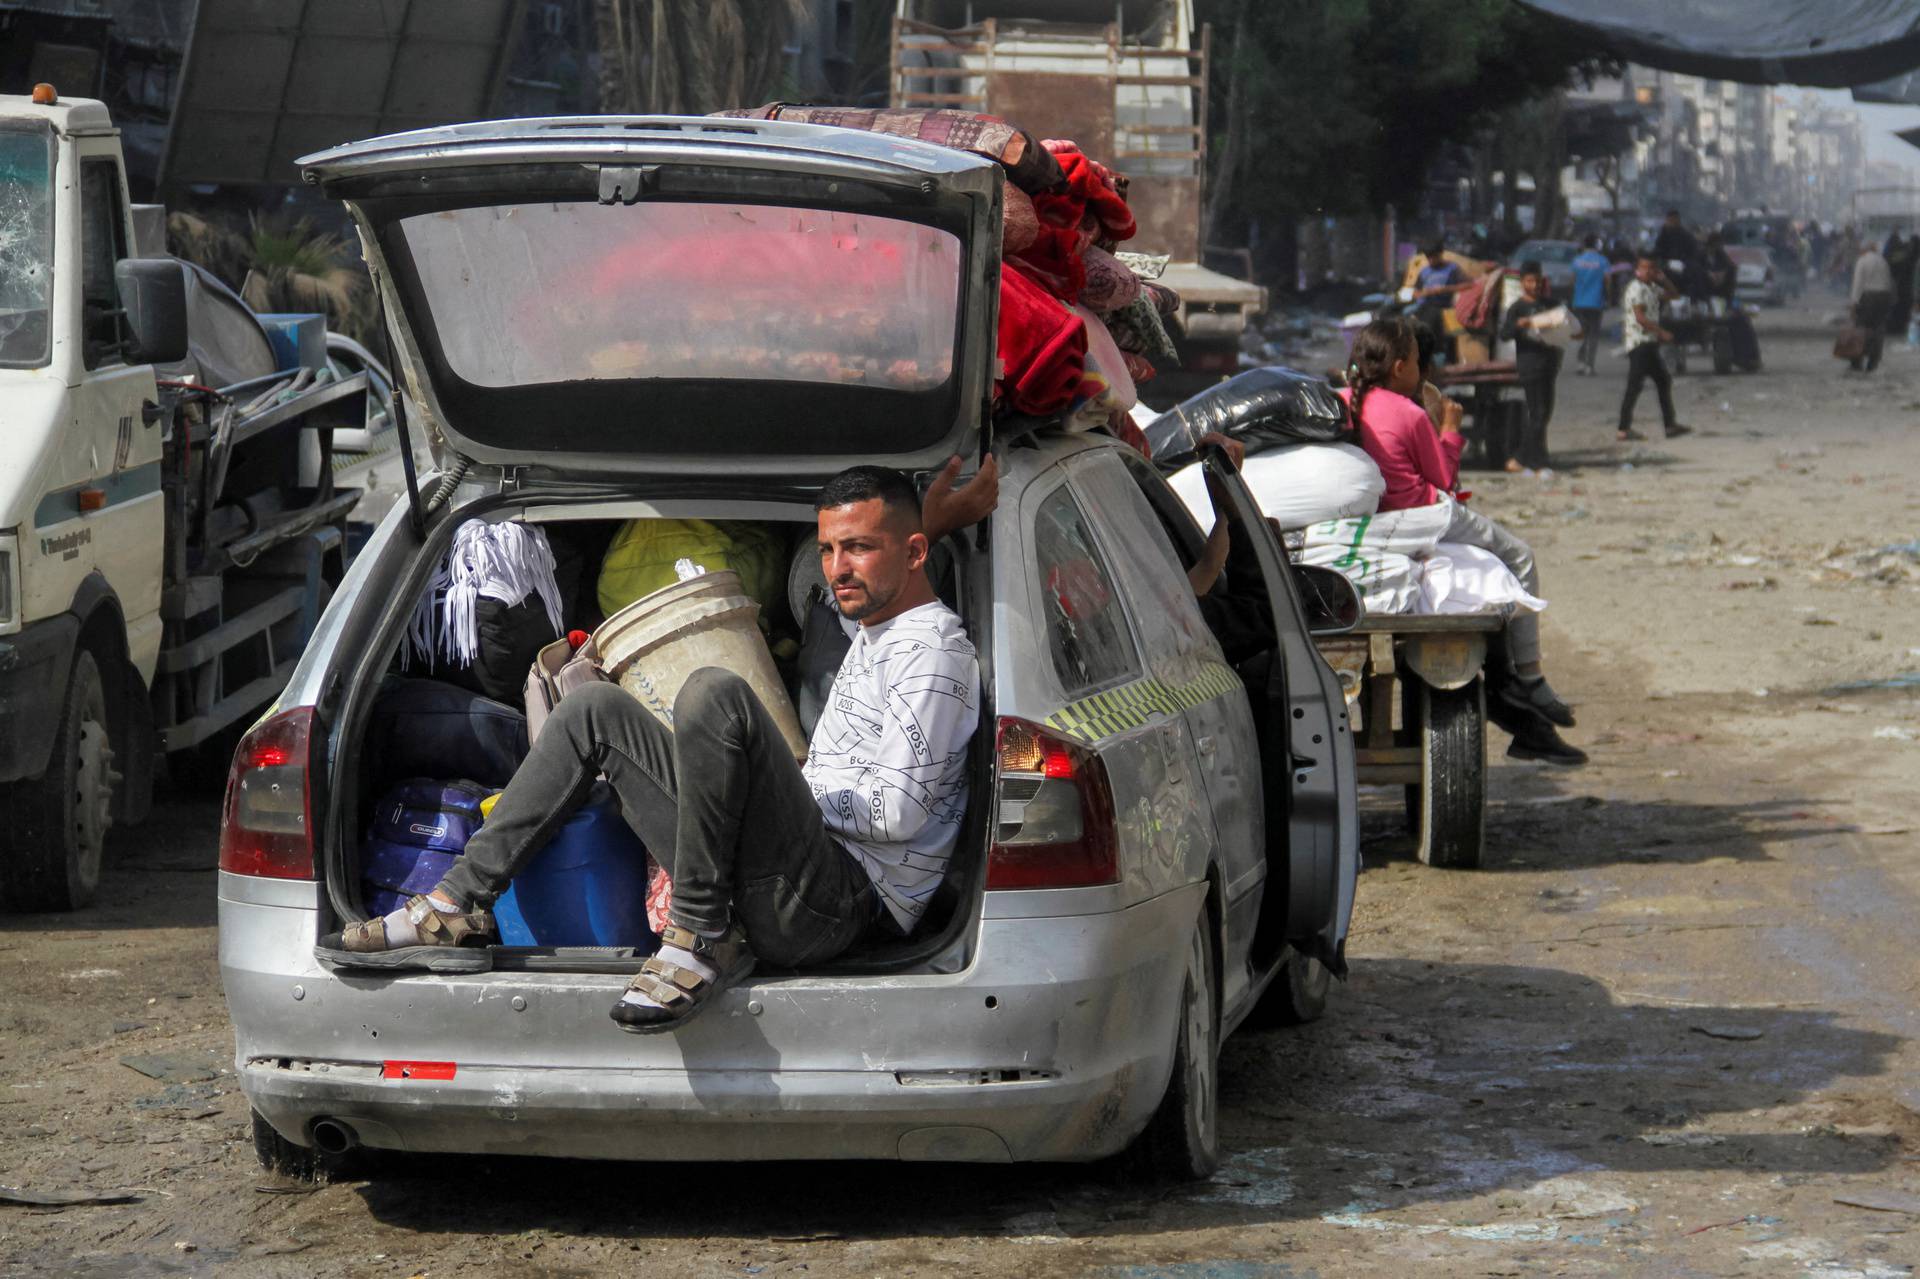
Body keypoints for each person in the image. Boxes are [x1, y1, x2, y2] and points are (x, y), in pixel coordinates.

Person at [323, 465, 984, 1034]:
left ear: (915, 553)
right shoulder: (876, 620)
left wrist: (782, 784)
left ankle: (699, 938)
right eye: (830, 548)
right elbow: (859, 593)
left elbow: (897, 813)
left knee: (713, 695)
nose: (839, 568)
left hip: (836, 904)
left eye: (861, 548)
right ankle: (452, 903)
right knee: (592, 709)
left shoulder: (934, 657)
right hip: (784, 872)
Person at [1341, 317, 1584, 765]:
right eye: (1416, 361)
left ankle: (1520, 691)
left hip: (1376, 522)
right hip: (1425, 514)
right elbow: (1444, 478)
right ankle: (1530, 676)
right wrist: (1451, 428)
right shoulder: (1409, 412)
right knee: (1520, 556)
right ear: (1400, 367)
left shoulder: (1344, 404)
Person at [1497, 260, 1564, 472]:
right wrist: (1519, 324)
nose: (1534, 285)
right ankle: (1521, 457)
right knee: (1538, 413)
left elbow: (1564, 329)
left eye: (1536, 281)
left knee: (1545, 414)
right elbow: (1505, 334)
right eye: (1529, 281)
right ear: (1522, 282)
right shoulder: (1517, 308)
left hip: (1549, 365)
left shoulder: (1551, 303)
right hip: (1529, 365)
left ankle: (1540, 456)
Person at [1617, 257, 1691, 443]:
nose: (1648, 271)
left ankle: (1669, 424)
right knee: (1635, 386)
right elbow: (1640, 318)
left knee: (1662, 381)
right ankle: (1623, 429)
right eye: (1644, 268)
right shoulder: (1636, 289)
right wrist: (1662, 332)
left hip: (1648, 343)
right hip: (1639, 342)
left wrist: (1663, 279)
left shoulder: (1651, 287)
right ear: (1637, 270)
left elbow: (1674, 295)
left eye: (1652, 268)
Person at [1849, 240, 1895, 373]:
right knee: (1878, 329)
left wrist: (1854, 303)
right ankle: (1873, 361)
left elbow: (1858, 283)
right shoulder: (1883, 261)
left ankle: (1856, 361)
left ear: (1864, 250)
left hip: (1869, 297)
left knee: (1861, 328)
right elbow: (1889, 282)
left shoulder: (1862, 261)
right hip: (1884, 297)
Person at [1570, 235, 1610, 375]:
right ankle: (1589, 365)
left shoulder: (1577, 261)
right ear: (1596, 245)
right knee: (1593, 334)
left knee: (1582, 333)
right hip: (1596, 302)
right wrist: (1607, 296)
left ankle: (1580, 363)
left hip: (1579, 301)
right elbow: (1607, 281)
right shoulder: (1603, 261)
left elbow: (1572, 280)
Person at [1883, 229, 1916, 340]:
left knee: (1900, 307)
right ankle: (1900, 327)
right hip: (1905, 286)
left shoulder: (1903, 252)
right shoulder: (1907, 252)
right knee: (1903, 308)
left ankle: (1897, 327)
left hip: (1902, 286)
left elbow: (1892, 265)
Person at [1702, 232, 1737, 307]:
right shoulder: (1701, 253)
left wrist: (1723, 273)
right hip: (1705, 281)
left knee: (1731, 273)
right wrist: (1708, 273)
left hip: (1718, 281)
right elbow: (1696, 267)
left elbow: (1730, 266)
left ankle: (1728, 303)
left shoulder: (1720, 254)